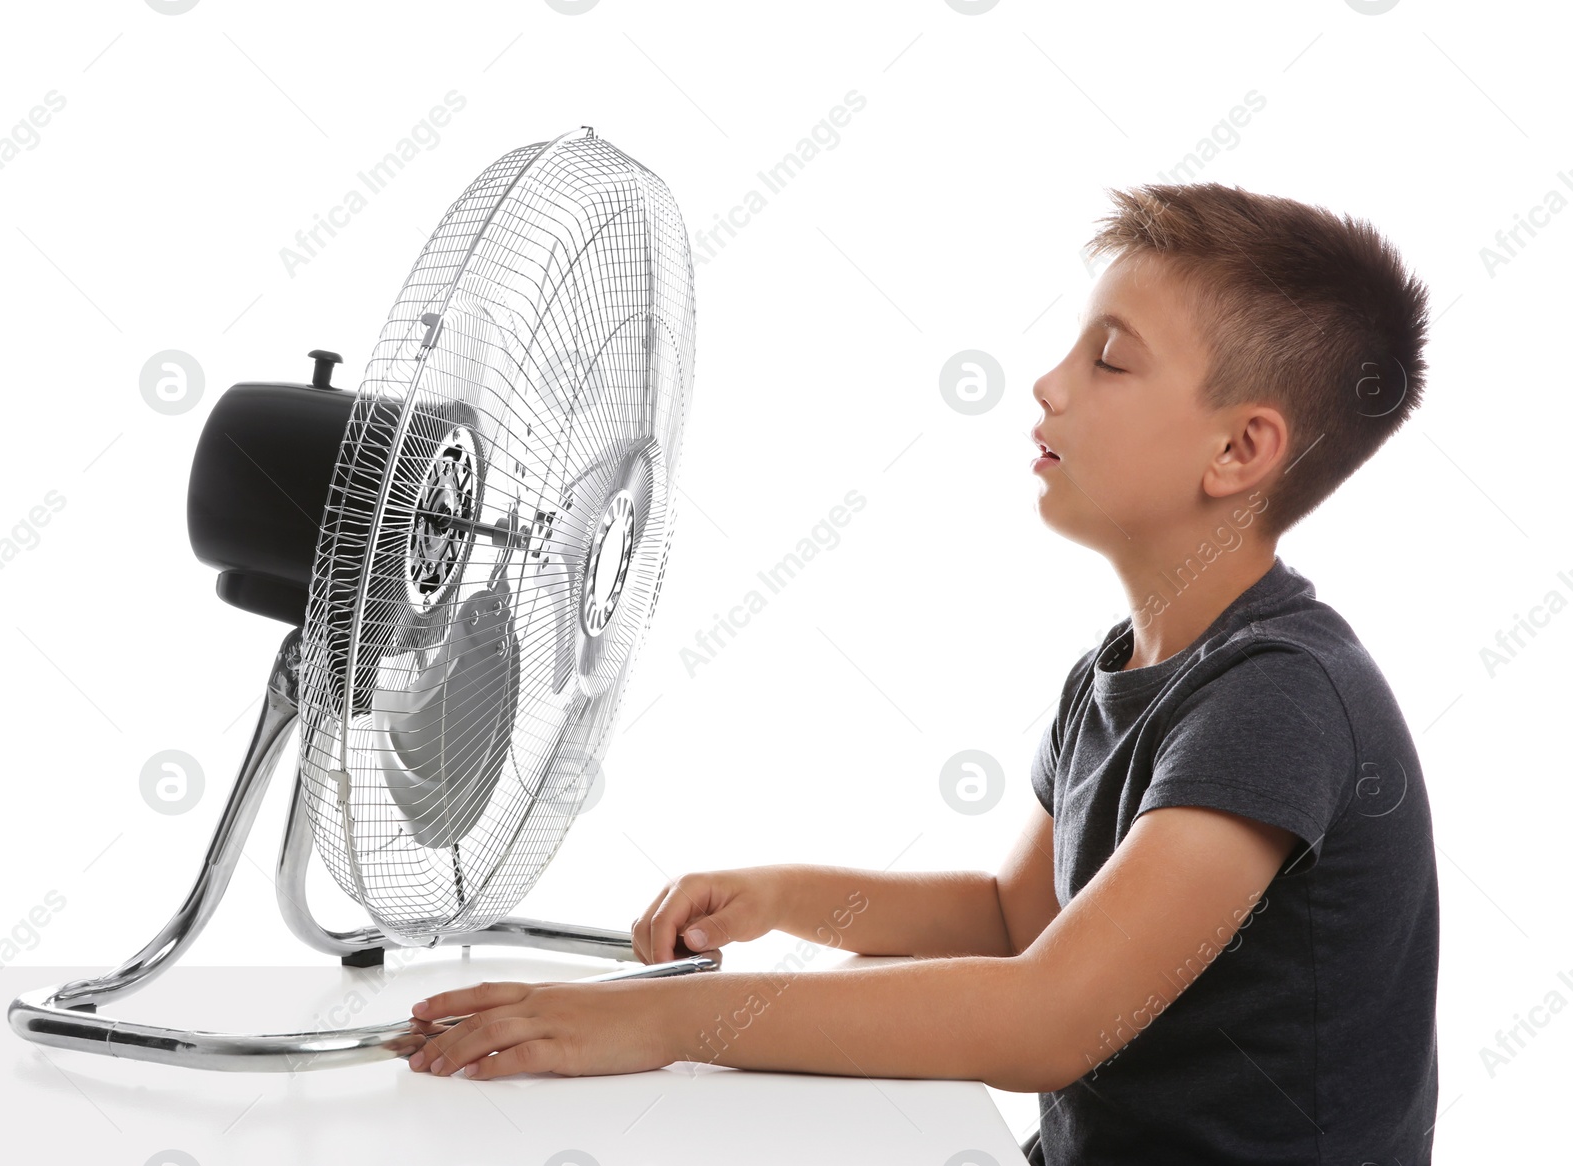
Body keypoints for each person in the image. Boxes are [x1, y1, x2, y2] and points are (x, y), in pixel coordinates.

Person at [405, 183, 1440, 1166]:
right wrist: (782, 896)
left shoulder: (1282, 697)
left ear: (1239, 449)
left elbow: (1046, 1016)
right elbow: (1016, 918)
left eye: (1109, 362)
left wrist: (652, 1018)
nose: (1047, 383)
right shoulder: (1118, 672)